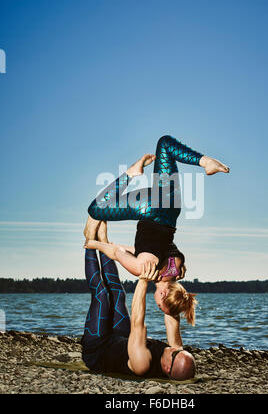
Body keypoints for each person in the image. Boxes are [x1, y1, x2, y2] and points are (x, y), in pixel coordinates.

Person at [84, 135, 230, 322]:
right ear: (162, 296)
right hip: (150, 209)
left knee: (165, 144)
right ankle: (131, 173)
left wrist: (122, 247)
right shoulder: (141, 269)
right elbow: (114, 253)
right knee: (96, 209)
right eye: (160, 306)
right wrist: (94, 244)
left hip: (171, 208)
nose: (157, 306)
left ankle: (206, 162)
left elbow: (147, 248)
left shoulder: (176, 268)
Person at [81, 234, 196, 380]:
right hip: (121, 338)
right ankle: (103, 240)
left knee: (102, 296)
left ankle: (89, 241)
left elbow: (137, 323)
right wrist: (171, 279)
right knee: (118, 294)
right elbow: (171, 314)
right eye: (180, 350)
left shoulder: (142, 364)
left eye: (175, 353)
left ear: (167, 367)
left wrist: (143, 280)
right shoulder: (174, 353)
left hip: (97, 348)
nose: (175, 348)